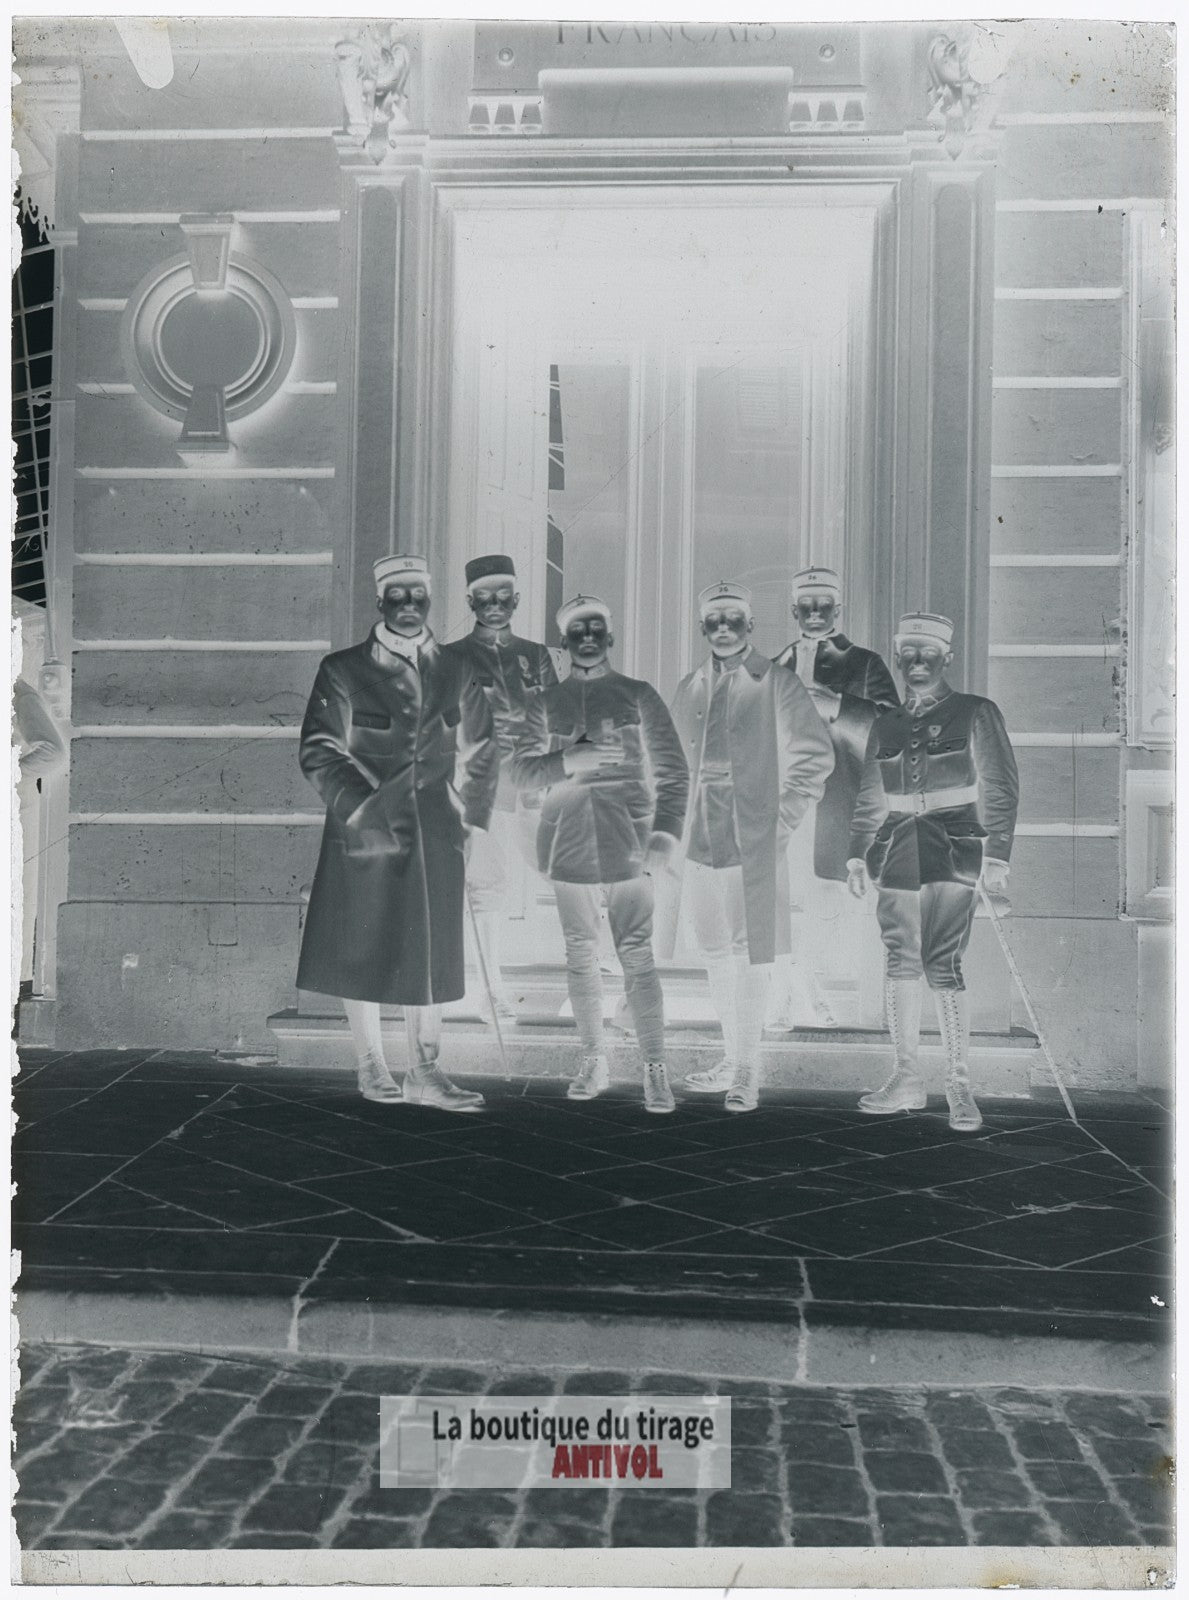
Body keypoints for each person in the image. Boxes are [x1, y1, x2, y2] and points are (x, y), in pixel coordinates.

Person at [296, 554, 499, 1111]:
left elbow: (482, 748)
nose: (409, 605)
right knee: (362, 943)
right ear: (380, 601)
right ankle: (370, 1063)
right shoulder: (342, 670)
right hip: (363, 827)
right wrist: (365, 807)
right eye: (398, 595)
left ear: (430, 601)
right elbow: (318, 749)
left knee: (429, 949)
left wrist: (470, 816)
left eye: (419, 595)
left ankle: (425, 1071)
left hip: (436, 829)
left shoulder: (457, 669)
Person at [509, 594, 688, 1113]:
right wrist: (568, 758)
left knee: (636, 951)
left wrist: (665, 834)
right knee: (580, 952)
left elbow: (674, 773)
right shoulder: (544, 704)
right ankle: (593, 1058)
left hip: (630, 838)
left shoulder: (638, 695)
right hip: (567, 838)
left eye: (596, 628)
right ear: (563, 642)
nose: (587, 637)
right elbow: (518, 772)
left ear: (610, 637)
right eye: (577, 630)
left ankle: (656, 1066)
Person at [846, 611, 1019, 1132]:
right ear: (897, 659)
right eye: (908, 654)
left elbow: (1001, 787)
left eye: (927, 654)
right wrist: (857, 852)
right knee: (899, 958)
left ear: (946, 657)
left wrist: (997, 858)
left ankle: (959, 1085)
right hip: (896, 848)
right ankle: (905, 1079)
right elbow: (871, 795)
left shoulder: (976, 712)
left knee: (941, 961)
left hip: (953, 846)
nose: (917, 663)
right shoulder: (887, 723)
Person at [667, 581, 834, 1112]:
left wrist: (777, 822)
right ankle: (727, 1057)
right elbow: (671, 766)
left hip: (752, 832)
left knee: (750, 950)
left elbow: (814, 757)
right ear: (702, 628)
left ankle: (747, 1068)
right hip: (700, 829)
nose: (723, 626)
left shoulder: (778, 682)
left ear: (750, 626)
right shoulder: (689, 687)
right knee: (715, 948)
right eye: (713, 618)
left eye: (733, 617)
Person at [770, 565, 900, 1030]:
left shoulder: (864, 663)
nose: (815, 612)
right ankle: (788, 993)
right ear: (794, 610)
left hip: (840, 792)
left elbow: (893, 725)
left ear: (837, 610)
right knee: (785, 895)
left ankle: (818, 987)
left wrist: (838, 705)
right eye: (806, 605)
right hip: (789, 796)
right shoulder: (776, 664)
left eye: (824, 604)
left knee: (826, 893)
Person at [444, 554, 558, 1021]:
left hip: (532, 779)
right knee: (486, 886)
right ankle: (492, 987)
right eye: (484, 597)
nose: (495, 605)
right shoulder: (450, 657)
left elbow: (556, 716)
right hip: (480, 781)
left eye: (503, 596)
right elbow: (440, 725)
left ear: (517, 599)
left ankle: (594, 966)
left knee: (563, 866)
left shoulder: (536, 656)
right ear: (471, 601)